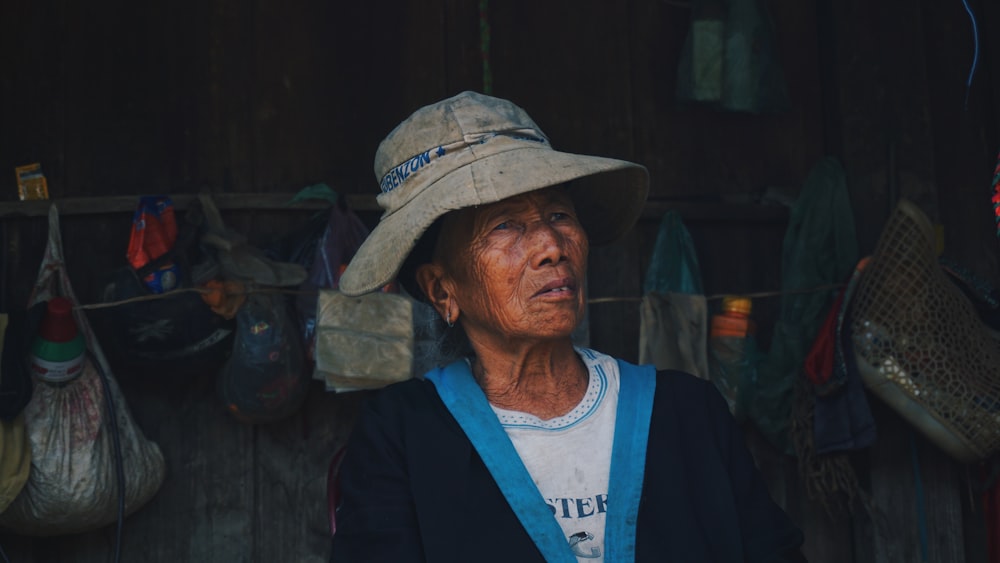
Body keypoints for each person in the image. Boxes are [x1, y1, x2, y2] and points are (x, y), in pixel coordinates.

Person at [330, 91, 805, 562]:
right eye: (504, 226)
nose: (551, 245)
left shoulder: (687, 413)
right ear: (441, 290)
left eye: (558, 214)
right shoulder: (402, 434)